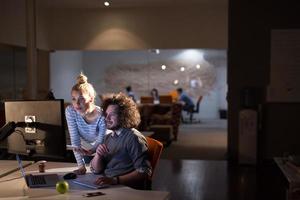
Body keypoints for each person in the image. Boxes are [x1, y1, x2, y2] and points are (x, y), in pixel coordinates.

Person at [90, 93, 152, 189]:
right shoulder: (108, 137)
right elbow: (96, 170)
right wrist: (98, 155)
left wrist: (115, 180)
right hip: (106, 183)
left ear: (124, 116)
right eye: (106, 114)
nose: (107, 118)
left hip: (123, 188)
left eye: (112, 115)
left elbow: (144, 172)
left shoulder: (133, 138)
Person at [65, 73, 106, 175]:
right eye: (73, 99)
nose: (76, 104)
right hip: (84, 147)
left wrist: (92, 151)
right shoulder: (71, 111)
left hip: (103, 147)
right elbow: (75, 139)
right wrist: (81, 166)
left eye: (81, 99)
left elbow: (100, 141)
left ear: (91, 99)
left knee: (98, 171)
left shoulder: (102, 115)